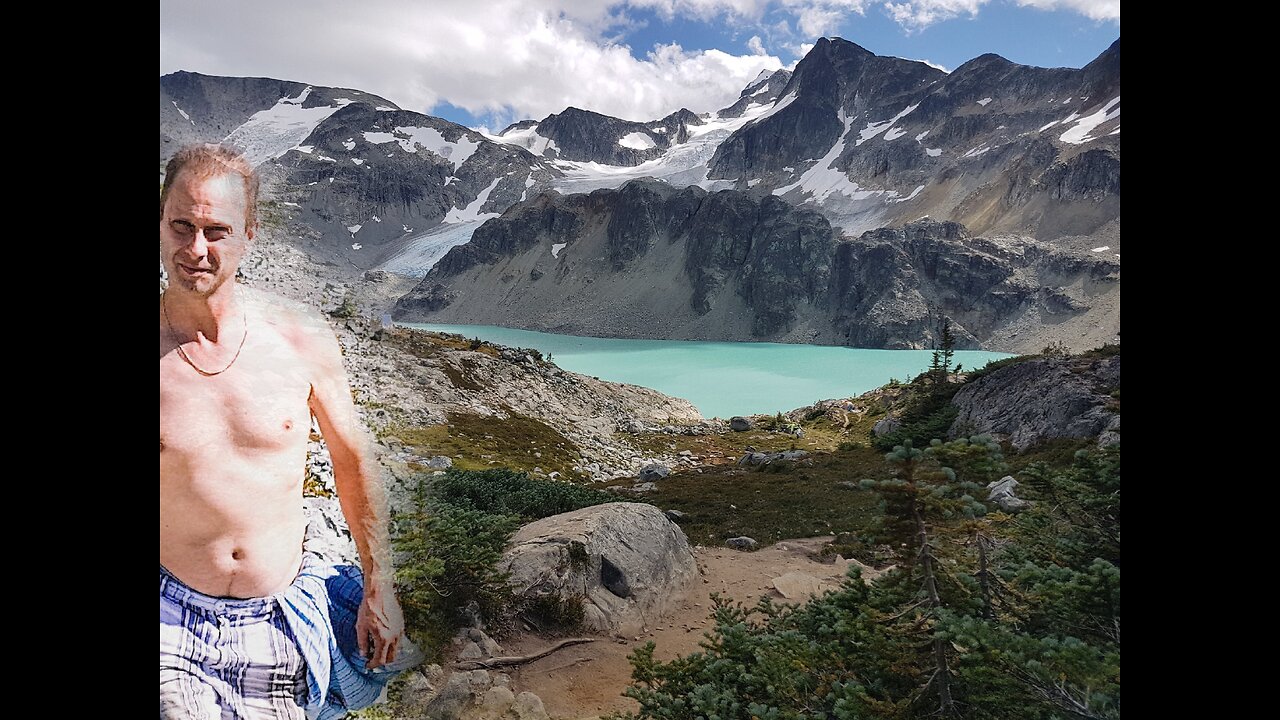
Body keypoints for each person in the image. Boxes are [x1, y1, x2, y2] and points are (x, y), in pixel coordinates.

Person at [159, 144, 412, 719]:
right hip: (172, 617)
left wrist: (379, 584)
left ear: (249, 233)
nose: (196, 250)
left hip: (283, 612)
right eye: (181, 226)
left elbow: (353, 462)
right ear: (160, 220)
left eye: (217, 231)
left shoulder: (300, 337)